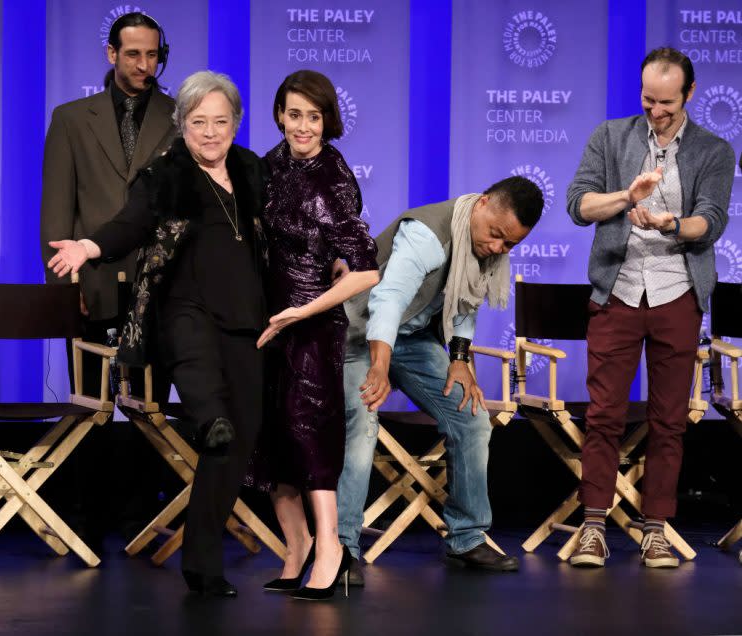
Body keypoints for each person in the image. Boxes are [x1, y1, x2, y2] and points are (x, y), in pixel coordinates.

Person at [47, 71, 268, 597]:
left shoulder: (253, 169)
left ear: (236, 123)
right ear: (181, 126)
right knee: (200, 376)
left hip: (248, 320)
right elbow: (129, 224)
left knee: (234, 445)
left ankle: (202, 563)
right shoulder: (166, 175)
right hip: (184, 309)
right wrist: (87, 248)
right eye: (198, 123)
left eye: (220, 121)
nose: (210, 133)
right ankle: (207, 415)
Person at [566, 47, 736, 569]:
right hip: (616, 293)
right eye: (647, 100)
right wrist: (626, 196)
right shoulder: (610, 136)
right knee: (604, 416)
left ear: (689, 93)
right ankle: (593, 526)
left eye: (666, 102)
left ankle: (655, 530)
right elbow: (578, 205)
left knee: (669, 421)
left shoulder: (714, 150)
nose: (655, 111)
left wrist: (670, 225)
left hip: (676, 294)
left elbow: (712, 220)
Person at [337, 176, 544, 583]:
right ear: (482, 204)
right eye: (497, 236)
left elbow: (467, 299)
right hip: (361, 333)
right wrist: (379, 365)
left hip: (412, 337)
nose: (498, 249)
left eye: (510, 246)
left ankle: (467, 536)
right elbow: (389, 299)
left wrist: (460, 358)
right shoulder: (426, 234)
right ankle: (341, 547)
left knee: (471, 416)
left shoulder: (486, 244)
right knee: (362, 422)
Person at [39, 11, 177, 549]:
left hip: (159, 287)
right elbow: (57, 214)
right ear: (111, 53)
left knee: (149, 411)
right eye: (134, 54)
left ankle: (143, 518)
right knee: (91, 411)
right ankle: (87, 518)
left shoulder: (179, 115)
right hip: (90, 281)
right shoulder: (72, 118)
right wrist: (60, 295)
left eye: (153, 55)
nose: (145, 65)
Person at [245, 70, 378, 601]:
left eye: (313, 116)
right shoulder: (267, 166)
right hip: (268, 322)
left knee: (308, 436)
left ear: (327, 120)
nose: (302, 126)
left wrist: (303, 312)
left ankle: (331, 551)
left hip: (312, 326)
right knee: (272, 437)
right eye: (294, 114)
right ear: (280, 114)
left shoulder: (334, 177)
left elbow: (365, 271)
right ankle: (296, 547)